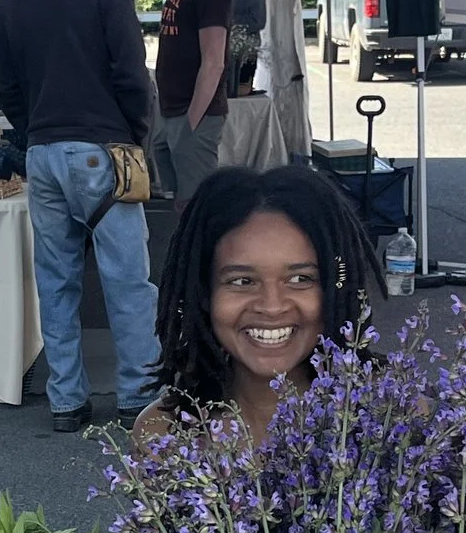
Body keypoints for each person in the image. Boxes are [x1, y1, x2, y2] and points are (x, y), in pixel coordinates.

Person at [0, 0, 161, 433]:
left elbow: (7, 83)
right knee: (127, 280)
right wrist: (137, 131)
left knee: (57, 279)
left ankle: (67, 400)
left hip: (43, 151)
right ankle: (137, 394)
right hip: (104, 149)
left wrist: (35, 127)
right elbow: (132, 74)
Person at [140, 164, 380, 444]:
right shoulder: (161, 435)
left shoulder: (394, 414)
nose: (272, 306)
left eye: (301, 278)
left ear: (334, 289)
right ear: (204, 293)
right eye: (242, 281)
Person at [138, 0, 229, 209]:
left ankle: (200, 260)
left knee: (196, 210)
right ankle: (182, 259)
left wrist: (191, 125)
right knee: (179, 205)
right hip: (174, 111)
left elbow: (214, 61)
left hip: (192, 113)